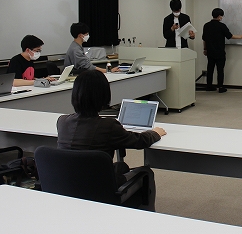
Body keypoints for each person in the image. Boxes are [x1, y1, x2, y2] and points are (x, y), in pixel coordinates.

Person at [56, 70, 167, 211]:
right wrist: (155, 133)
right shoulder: (108, 126)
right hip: (99, 188)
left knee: (121, 166)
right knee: (146, 172)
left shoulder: (62, 121)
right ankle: (147, 216)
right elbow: (139, 141)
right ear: (103, 95)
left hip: (66, 185)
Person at [202, 8, 242, 93]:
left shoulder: (206, 25)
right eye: (222, 16)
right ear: (219, 16)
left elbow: (204, 39)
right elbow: (230, 36)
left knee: (210, 69)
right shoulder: (222, 26)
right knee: (220, 70)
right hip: (220, 52)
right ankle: (220, 87)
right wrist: (241, 36)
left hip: (210, 52)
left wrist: (205, 49)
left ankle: (209, 86)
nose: (222, 18)